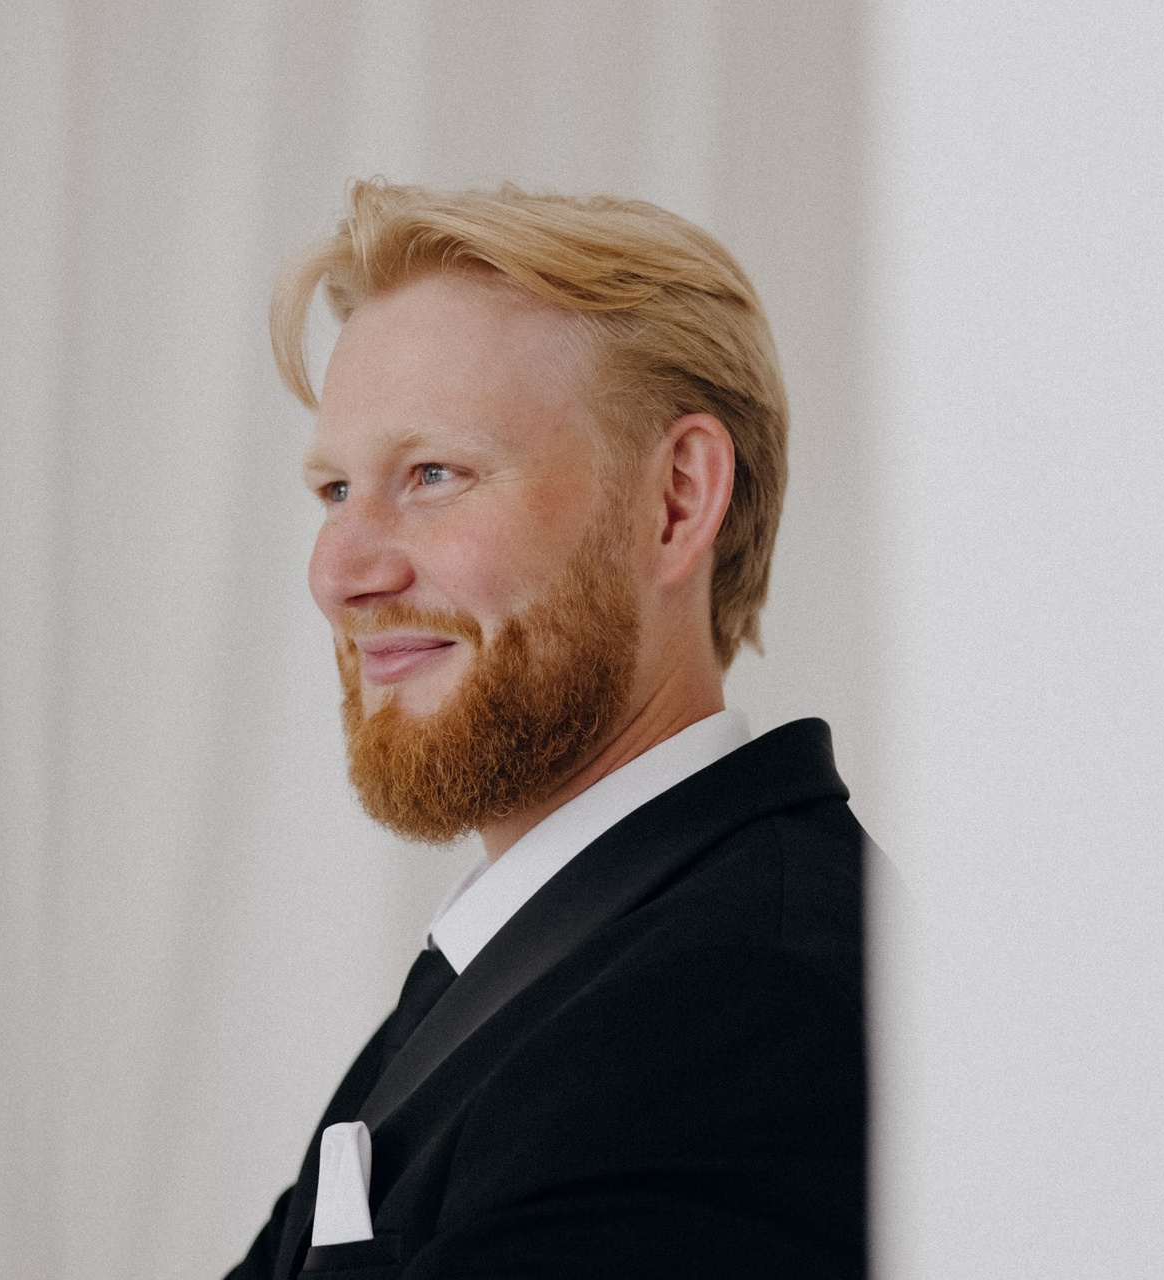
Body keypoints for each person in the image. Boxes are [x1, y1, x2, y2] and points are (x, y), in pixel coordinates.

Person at [226, 181, 867, 1280]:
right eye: (334, 489)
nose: (339, 573)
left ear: (676, 500)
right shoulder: (541, 959)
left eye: (433, 474)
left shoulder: (736, 1010)